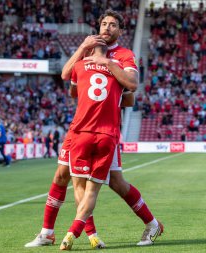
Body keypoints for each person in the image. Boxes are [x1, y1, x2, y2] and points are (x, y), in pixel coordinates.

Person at [25, 9, 163, 249]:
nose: (107, 28)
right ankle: (51, 232)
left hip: (106, 129)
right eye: (104, 24)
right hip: (79, 127)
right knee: (62, 175)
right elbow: (70, 82)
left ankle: (151, 224)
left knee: (117, 183)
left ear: (120, 31)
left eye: (112, 25)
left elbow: (131, 87)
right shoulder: (87, 50)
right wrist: (81, 48)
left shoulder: (124, 55)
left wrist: (107, 65)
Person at [59, 44, 136, 250]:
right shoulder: (117, 68)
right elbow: (130, 97)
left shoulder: (80, 65)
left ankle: (88, 233)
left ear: (90, 50)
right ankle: (73, 233)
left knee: (78, 187)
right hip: (106, 134)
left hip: (82, 132)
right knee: (93, 190)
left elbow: (70, 86)